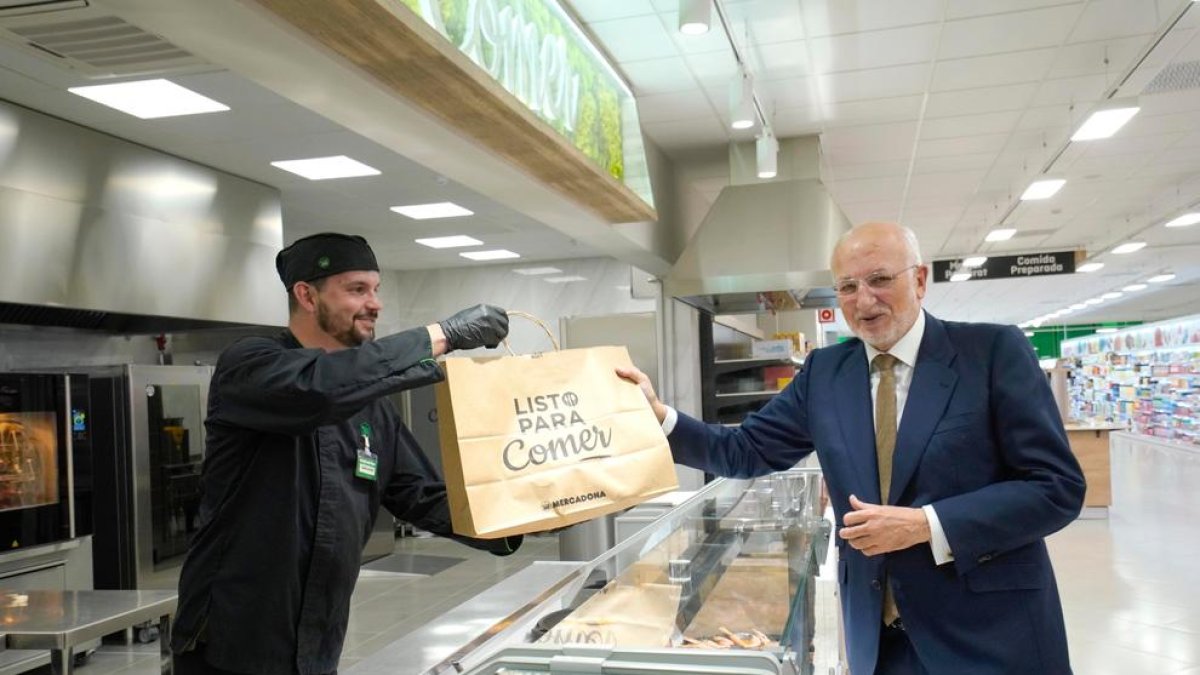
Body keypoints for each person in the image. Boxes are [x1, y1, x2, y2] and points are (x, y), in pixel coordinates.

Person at [618, 222, 1085, 675]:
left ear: (920, 280)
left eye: (880, 279)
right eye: (847, 287)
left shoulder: (991, 352)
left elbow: (1056, 487)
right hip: (878, 645)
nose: (863, 300)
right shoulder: (825, 373)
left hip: (990, 636)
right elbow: (743, 450)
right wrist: (660, 417)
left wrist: (926, 525)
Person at [171, 232, 518, 675]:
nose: (375, 304)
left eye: (376, 290)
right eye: (357, 289)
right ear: (307, 295)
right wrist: (442, 336)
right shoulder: (251, 365)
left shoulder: (373, 404)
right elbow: (320, 390)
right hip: (230, 645)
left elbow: (422, 495)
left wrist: (534, 508)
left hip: (317, 645)